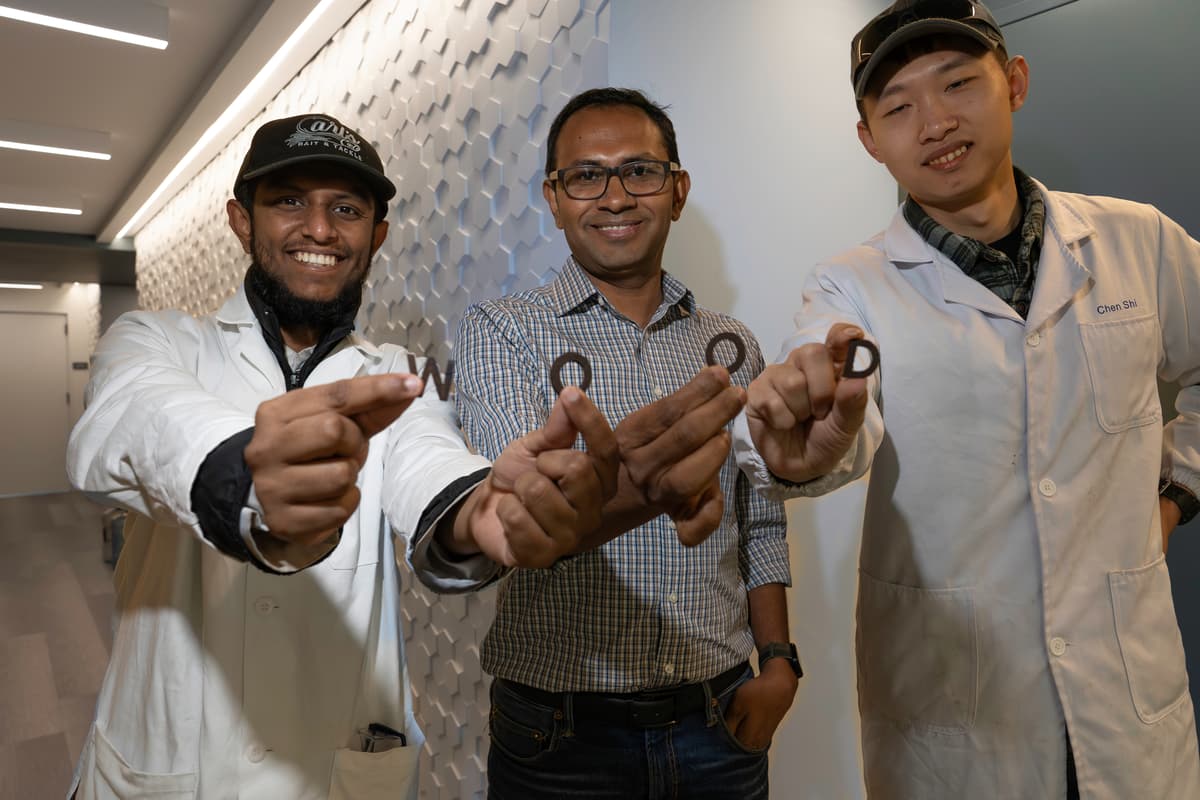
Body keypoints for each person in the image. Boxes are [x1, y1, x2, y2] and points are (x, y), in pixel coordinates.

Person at [66, 113, 619, 800]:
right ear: (242, 221)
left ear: (376, 236)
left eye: (346, 209)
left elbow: (427, 457)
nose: (320, 230)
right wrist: (241, 472)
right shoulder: (154, 341)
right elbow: (133, 416)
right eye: (289, 201)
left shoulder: (398, 374)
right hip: (168, 767)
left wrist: (481, 510)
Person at [735, 1, 1200, 797]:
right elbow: (826, 416)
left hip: (1126, 697)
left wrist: (1179, 488)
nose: (935, 122)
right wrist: (790, 450)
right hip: (956, 714)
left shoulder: (1139, 241)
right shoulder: (851, 286)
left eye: (958, 84)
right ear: (868, 140)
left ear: (1014, 83)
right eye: (899, 106)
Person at [450, 88, 797, 800]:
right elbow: (516, 517)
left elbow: (760, 511)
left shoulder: (730, 345)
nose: (614, 197)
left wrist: (780, 661)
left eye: (639, 171)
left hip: (719, 720)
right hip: (560, 734)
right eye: (586, 175)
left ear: (677, 189)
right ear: (553, 196)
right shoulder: (503, 331)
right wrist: (649, 490)